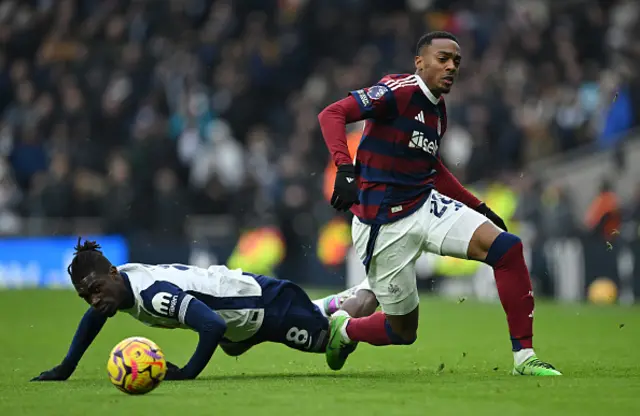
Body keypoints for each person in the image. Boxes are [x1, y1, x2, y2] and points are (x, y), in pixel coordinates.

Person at [317, 31, 561, 376]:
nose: (451, 67)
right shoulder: (396, 92)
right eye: (442, 59)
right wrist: (344, 167)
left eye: (456, 61)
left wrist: (481, 208)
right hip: (384, 224)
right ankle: (346, 330)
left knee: (507, 250)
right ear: (420, 62)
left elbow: (431, 168)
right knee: (403, 332)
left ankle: (525, 357)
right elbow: (331, 114)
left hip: (424, 204)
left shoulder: (438, 111)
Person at [31, 239, 332, 381]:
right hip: (240, 322)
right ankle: (324, 307)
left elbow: (213, 325)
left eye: (95, 290)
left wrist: (188, 373)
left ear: (112, 273)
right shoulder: (118, 284)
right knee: (232, 344)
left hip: (263, 306)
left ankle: (350, 302)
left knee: (330, 343)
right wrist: (66, 366)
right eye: (86, 296)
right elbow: (93, 317)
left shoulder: (151, 294)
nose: (94, 301)